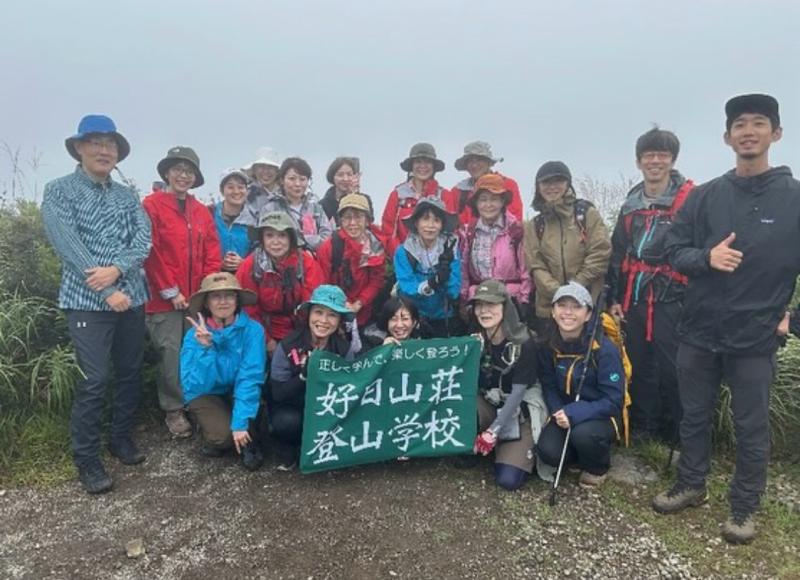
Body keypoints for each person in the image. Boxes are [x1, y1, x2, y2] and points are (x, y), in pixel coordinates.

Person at [653, 94, 800, 545]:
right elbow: (671, 250)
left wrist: (792, 320)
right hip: (698, 330)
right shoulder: (705, 197)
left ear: (775, 134)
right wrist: (707, 257)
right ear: (727, 137)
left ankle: (744, 506)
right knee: (693, 416)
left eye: (759, 123)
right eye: (740, 125)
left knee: (749, 424)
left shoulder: (794, 199)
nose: (748, 132)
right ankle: (691, 484)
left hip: (755, 337)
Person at [42, 114, 152, 494]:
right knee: (94, 380)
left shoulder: (126, 195)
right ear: (79, 148)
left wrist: (119, 269)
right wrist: (106, 289)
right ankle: (86, 458)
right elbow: (67, 244)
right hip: (87, 302)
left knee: (129, 371)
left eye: (110, 145)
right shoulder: (59, 191)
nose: (104, 150)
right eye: (95, 143)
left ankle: (120, 438)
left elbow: (143, 239)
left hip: (133, 297)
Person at [606, 128, 695, 445]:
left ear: (672, 160)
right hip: (635, 296)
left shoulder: (690, 200)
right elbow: (618, 253)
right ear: (639, 161)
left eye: (662, 155)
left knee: (676, 366)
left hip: (673, 296)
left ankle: (679, 433)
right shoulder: (631, 205)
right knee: (637, 361)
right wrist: (614, 298)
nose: (655, 161)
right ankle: (643, 426)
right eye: (649, 155)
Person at [143, 146, 222, 438]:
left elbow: (213, 251)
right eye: (177, 169)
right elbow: (149, 250)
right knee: (170, 353)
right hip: (162, 299)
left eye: (189, 171)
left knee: (198, 350)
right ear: (166, 172)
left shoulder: (201, 211)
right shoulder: (150, 205)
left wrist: (204, 288)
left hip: (196, 296)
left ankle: (199, 404)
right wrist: (170, 290)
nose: (183, 175)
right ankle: (173, 409)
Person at [535, 282, 625, 488]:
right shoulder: (548, 345)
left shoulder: (604, 349)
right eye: (562, 306)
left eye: (576, 307)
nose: (568, 312)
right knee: (548, 452)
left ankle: (597, 467)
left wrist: (574, 413)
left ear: (587, 315)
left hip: (600, 416)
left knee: (584, 434)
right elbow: (548, 384)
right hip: (564, 414)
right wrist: (558, 411)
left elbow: (614, 400)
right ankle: (577, 455)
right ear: (553, 311)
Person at [268, 285, 359, 470]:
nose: (324, 320)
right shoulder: (287, 346)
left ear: (339, 320)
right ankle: (289, 445)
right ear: (308, 314)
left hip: (327, 408)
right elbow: (277, 394)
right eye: (319, 312)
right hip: (293, 407)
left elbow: (350, 385)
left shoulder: (343, 348)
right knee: (286, 423)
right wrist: (303, 376)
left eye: (332, 315)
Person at [181, 272, 266, 471]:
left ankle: (240, 431)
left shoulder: (253, 330)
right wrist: (206, 349)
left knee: (248, 423)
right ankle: (211, 434)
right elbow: (195, 385)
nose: (223, 302)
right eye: (215, 296)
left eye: (229, 295)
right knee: (223, 437)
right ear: (206, 302)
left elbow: (250, 376)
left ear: (237, 300)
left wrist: (239, 424)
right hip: (207, 393)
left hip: (236, 388)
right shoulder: (193, 336)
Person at [524, 161, 611, 339]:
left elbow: (600, 252)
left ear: (568, 183)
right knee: (549, 362)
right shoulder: (535, 225)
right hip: (548, 310)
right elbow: (535, 264)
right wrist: (559, 293)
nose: (552, 187)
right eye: (546, 183)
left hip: (587, 306)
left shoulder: (586, 214)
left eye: (558, 181)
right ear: (538, 187)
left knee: (590, 360)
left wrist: (576, 287)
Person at [470, 280, 539, 491]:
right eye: (479, 305)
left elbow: (518, 393)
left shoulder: (524, 342)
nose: (484, 311)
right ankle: (484, 445)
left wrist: (493, 431)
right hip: (489, 402)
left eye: (491, 305)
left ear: (505, 307)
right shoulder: (476, 339)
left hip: (517, 410)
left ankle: (513, 447)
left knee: (508, 480)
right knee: (465, 407)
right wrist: (474, 353)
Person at [236, 211, 324, 355]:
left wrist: (306, 337)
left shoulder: (306, 263)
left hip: (301, 330)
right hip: (263, 330)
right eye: (269, 235)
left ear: (291, 239)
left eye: (282, 235)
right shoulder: (250, 265)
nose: (276, 242)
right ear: (262, 239)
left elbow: (314, 302)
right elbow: (248, 308)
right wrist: (267, 341)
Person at [458, 173, 531, 315]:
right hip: (478, 302)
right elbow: (464, 271)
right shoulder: (468, 233)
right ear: (476, 203)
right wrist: (464, 300)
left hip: (511, 301)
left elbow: (526, 271)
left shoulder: (516, 231)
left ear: (502, 201)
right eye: (483, 199)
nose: (488, 205)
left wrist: (524, 302)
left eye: (494, 199)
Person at [394, 197, 463, 338]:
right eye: (425, 219)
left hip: (444, 317)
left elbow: (454, 292)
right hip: (413, 317)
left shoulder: (451, 249)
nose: (430, 225)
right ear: (416, 222)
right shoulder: (404, 251)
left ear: (442, 225)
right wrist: (431, 283)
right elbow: (406, 287)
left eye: (436, 220)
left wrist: (446, 274)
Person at [316, 193, 386, 328]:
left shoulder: (376, 247)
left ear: (367, 220)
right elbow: (322, 282)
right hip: (332, 313)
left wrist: (358, 304)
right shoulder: (329, 247)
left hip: (364, 314)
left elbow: (376, 281)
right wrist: (342, 304)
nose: (353, 223)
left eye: (359, 217)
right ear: (340, 220)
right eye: (347, 217)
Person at [381, 143, 456, 255]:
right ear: (411, 166)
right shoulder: (397, 195)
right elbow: (388, 230)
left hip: (437, 261)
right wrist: (401, 256)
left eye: (427, 162)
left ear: (434, 167)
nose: (423, 166)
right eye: (418, 162)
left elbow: (450, 231)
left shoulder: (444, 195)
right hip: (403, 262)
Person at [260, 157, 333, 252]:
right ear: (282, 180)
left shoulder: (315, 207)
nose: (298, 184)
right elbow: (264, 240)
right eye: (292, 179)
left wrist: (303, 242)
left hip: (313, 261)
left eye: (302, 179)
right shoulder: (270, 209)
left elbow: (327, 235)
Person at [451, 141, 523, 225]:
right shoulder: (457, 191)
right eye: (470, 161)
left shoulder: (508, 185)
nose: (474, 165)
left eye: (479, 160)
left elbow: (515, 221)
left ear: (489, 162)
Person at [210, 168, 256, 273]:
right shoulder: (210, 214)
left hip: (243, 278)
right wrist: (219, 263)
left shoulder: (254, 220)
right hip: (214, 278)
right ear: (222, 191)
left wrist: (244, 263)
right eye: (230, 187)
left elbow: (258, 251)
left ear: (247, 191)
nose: (236, 191)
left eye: (241, 187)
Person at [320, 156, 375, 227]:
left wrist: (353, 196)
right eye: (340, 175)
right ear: (333, 177)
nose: (345, 179)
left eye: (349, 175)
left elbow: (368, 225)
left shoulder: (365, 200)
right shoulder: (322, 205)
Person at [242, 146, 281, 217]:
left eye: (270, 167)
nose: (266, 171)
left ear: (277, 171)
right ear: (254, 170)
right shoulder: (245, 195)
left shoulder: (286, 193)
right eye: (261, 167)